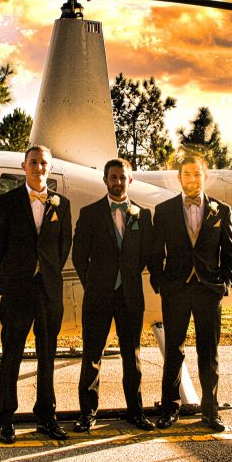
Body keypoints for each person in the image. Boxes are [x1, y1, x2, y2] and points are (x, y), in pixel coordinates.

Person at [0, 144, 73, 443]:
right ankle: (6, 420)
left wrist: (46, 272)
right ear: (24, 166)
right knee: (12, 354)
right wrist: (10, 277)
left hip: (49, 290)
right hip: (17, 289)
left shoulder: (61, 204)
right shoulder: (6, 202)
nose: (39, 167)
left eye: (44, 163)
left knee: (47, 355)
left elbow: (63, 246)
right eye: (33, 162)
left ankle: (46, 417)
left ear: (50, 167)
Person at [149, 152, 232, 432]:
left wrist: (224, 284)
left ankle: (210, 412)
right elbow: (154, 252)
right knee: (173, 351)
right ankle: (169, 409)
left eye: (197, 174)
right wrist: (160, 282)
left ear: (205, 177)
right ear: (179, 178)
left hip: (208, 290)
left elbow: (230, 254)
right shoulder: (163, 211)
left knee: (208, 352)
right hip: (175, 290)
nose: (191, 179)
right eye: (186, 174)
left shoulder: (221, 211)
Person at [71, 158, 155, 433]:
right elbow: (79, 256)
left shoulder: (142, 215)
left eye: (122, 177)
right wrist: (95, 283)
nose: (118, 182)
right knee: (92, 355)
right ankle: (87, 414)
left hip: (130, 295)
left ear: (129, 180)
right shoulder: (90, 213)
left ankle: (136, 411)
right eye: (113, 177)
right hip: (98, 295)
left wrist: (127, 275)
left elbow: (145, 254)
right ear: (105, 180)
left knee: (132, 356)